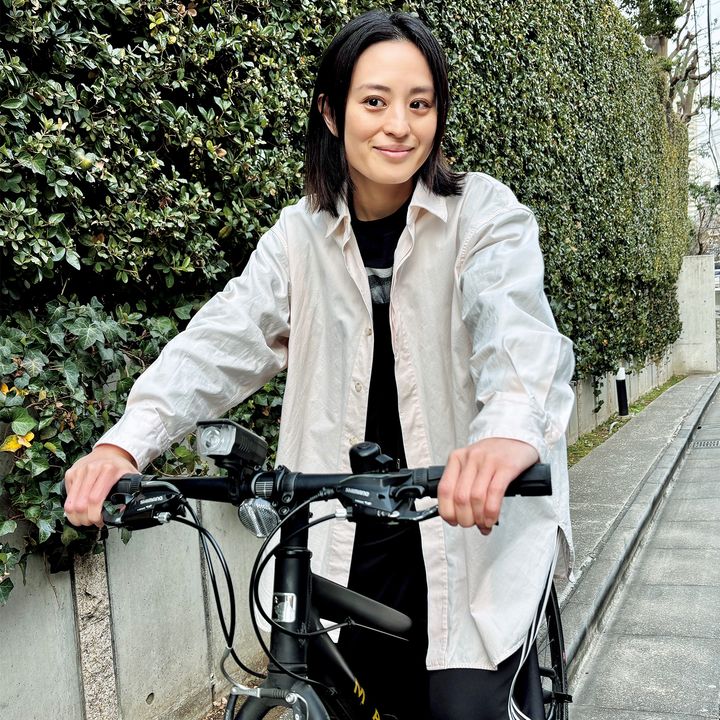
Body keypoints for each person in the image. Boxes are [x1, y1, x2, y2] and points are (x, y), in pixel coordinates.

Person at [64, 10, 575, 720]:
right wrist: (125, 444)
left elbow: (514, 328)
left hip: (468, 527)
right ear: (332, 113)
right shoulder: (298, 237)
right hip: (343, 531)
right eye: (376, 101)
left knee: (465, 706)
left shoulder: (482, 214)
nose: (399, 125)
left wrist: (505, 434)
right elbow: (221, 340)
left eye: (420, 104)